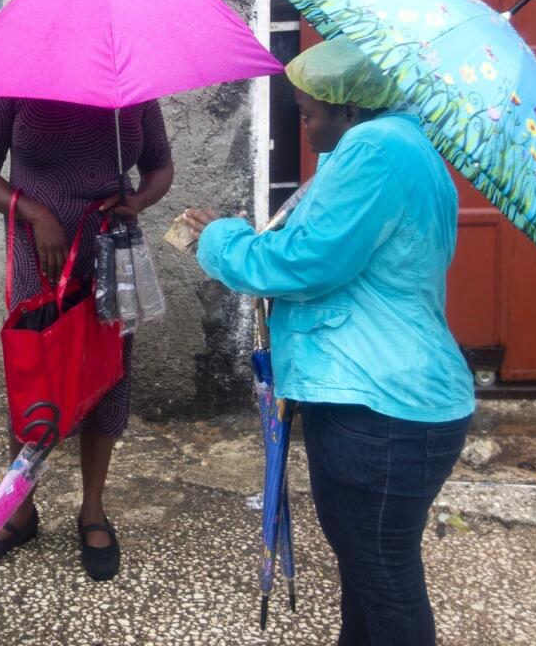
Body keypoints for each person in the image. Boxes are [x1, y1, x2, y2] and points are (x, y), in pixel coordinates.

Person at [184, 37, 475, 646]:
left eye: (311, 112)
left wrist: (222, 241)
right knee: (369, 570)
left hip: (378, 408)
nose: (305, 125)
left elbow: (308, 262)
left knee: (385, 577)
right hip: (389, 400)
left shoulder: (376, 149)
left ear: (350, 108)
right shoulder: (405, 146)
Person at [0, 98, 173, 580]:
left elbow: (160, 166)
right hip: (38, 258)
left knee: (108, 375)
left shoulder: (130, 87)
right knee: (35, 381)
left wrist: (137, 202)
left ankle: (93, 511)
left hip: (111, 253)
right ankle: (21, 509)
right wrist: (35, 213)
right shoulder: (13, 84)